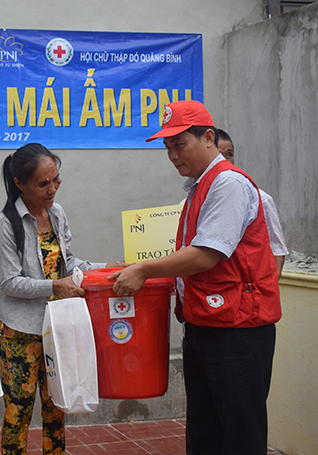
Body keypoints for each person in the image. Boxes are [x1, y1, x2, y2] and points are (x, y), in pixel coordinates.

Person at [111, 101, 282, 455]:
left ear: (208, 138)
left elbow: (207, 255)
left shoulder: (227, 185)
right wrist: (139, 268)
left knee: (239, 434)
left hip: (237, 332)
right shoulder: (197, 188)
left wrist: (143, 270)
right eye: (167, 147)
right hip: (206, 325)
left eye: (180, 144)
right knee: (205, 432)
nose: (173, 155)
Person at [0, 143, 121, 455]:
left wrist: (108, 269)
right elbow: (10, 283)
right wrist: (55, 287)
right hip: (19, 332)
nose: (52, 189)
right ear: (20, 184)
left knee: (56, 405)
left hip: (57, 327)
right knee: (18, 411)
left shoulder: (57, 213)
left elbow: (69, 263)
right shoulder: (5, 225)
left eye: (56, 180)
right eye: (42, 183)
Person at [217, 128, 288, 278]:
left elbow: (277, 248)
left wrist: (268, 289)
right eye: (218, 156)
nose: (225, 161)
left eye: (229, 154)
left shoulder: (260, 198)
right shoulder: (190, 202)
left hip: (251, 290)